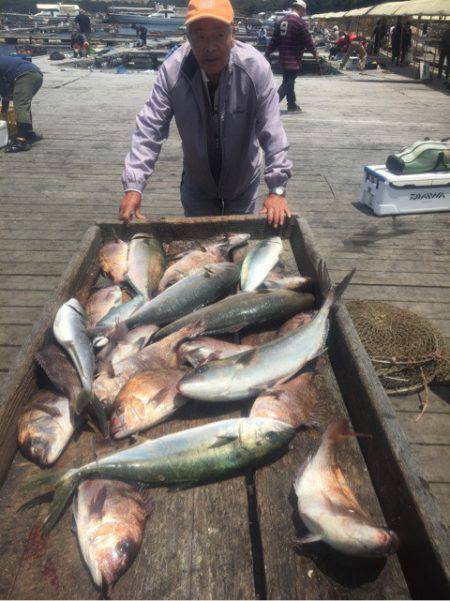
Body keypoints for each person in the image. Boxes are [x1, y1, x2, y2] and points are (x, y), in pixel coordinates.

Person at [119, 0, 292, 228]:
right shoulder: (173, 72)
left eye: (219, 36)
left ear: (233, 34)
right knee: (200, 251)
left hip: (242, 183)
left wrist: (277, 189)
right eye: (200, 36)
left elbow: (272, 128)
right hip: (197, 184)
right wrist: (134, 185)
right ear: (188, 37)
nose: (209, 47)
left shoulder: (255, 68)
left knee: (238, 247)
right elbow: (149, 129)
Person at [265, 0, 318, 113]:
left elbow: (274, 40)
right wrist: (315, 53)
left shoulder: (281, 21)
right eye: (304, 11)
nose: (304, 13)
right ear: (300, 9)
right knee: (288, 82)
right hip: (293, 58)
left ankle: (292, 105)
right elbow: (308, 41)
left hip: (283, 57)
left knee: (288, 81)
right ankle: (271, 105)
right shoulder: (299, 23)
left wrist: (267, 53)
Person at [0, 55, 43, 152]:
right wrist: (5, 99)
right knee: (24, 104)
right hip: (36, 74)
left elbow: (2, 84)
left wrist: (5, 99)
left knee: (20, 106)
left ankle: (21, 141)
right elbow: (5, 80)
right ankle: (29, 133)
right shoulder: (4, 59)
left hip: (26, 75)